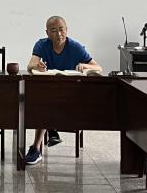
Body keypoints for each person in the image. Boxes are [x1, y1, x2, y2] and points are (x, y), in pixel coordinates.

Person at [24, 15, 101, 165]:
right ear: (47, 33)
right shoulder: (41, 44)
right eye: (53, 30)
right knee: (43, 101)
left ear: (67, 30)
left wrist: (85, 65)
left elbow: (98, 67)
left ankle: (38, 145)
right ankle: (45, 137)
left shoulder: (75, 47)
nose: (59, 34)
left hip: (70, 95)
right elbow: (30, 66)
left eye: (61, 30)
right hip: (49, 95)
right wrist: (37, 66)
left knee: (45, 104)